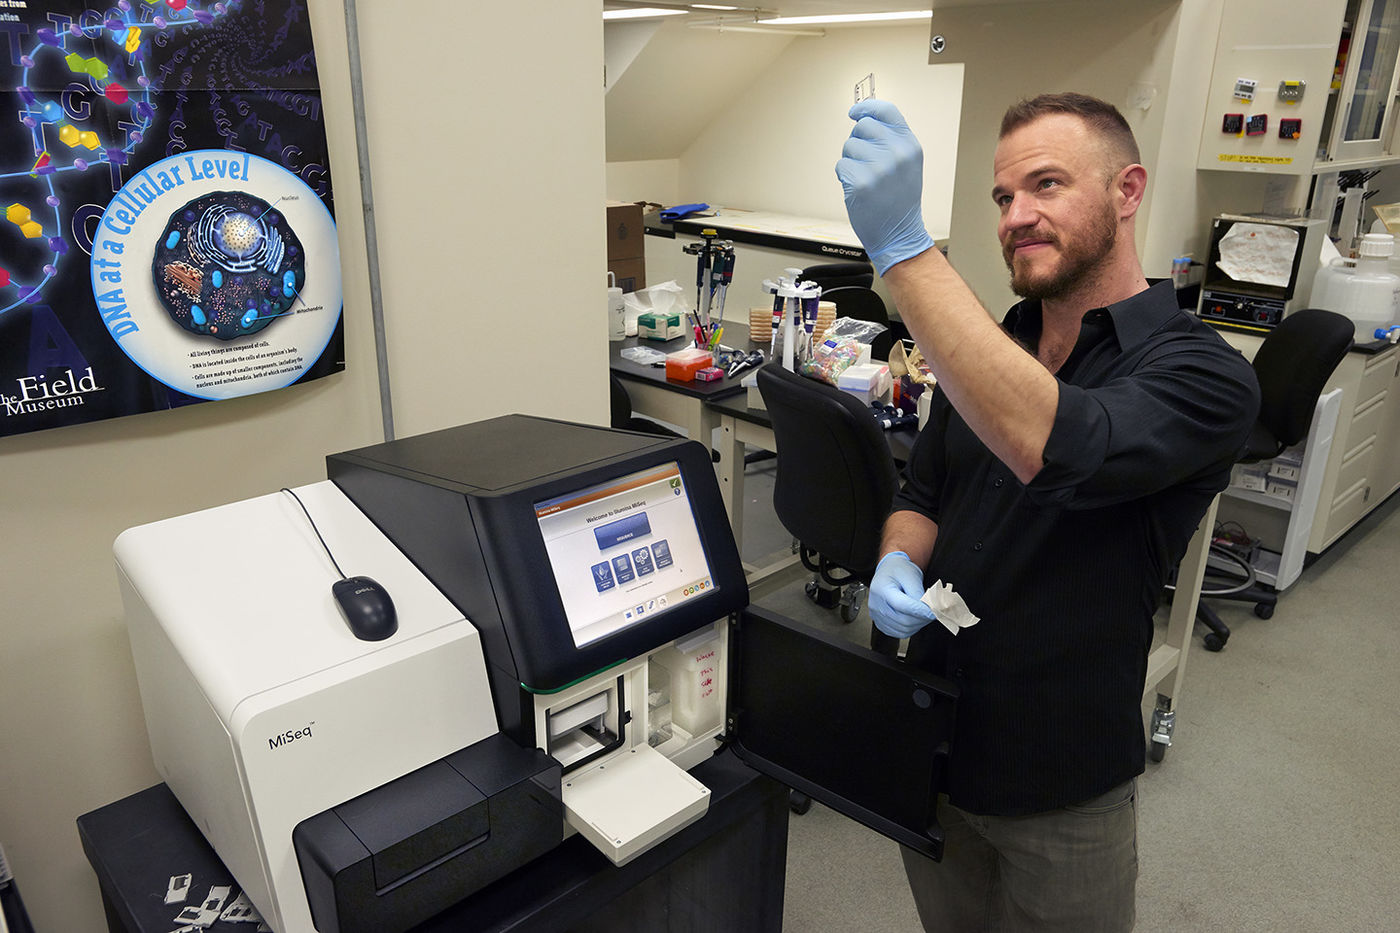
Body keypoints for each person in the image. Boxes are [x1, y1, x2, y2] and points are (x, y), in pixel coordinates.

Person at [834, 93, 1260, 932]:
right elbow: (924, 492)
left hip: (1061, 783)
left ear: (1126, 190)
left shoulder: (1204, 375)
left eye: (1047, 185)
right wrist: (898, 558)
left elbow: (1058, 439)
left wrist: (903, 251)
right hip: (937, 737)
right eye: (1002, 198)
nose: (1017, 216)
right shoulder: (997, 341)